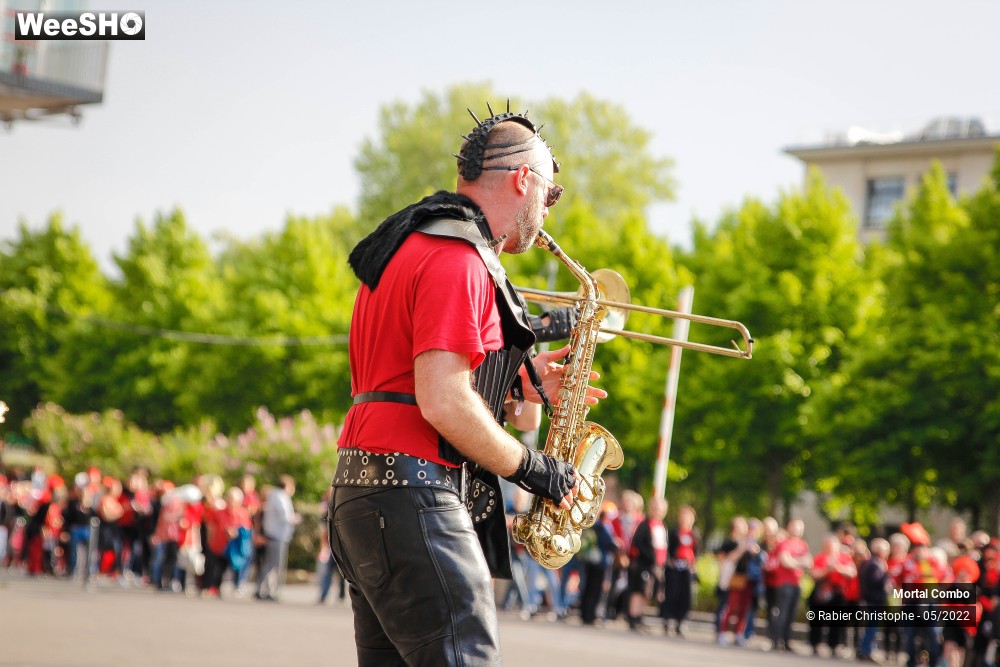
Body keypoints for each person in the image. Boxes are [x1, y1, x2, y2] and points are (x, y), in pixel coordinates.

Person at [329, 102, 607, 666]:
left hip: (362, 494)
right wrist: (537, 470)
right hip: (414, 494)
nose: (547, 211)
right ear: (523, 179)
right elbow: (443, 399)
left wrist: (513, 389)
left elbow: (406, 378)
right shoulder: (460, 259)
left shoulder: (408, 245)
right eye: (550, 194)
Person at [255, 475, 298, 602]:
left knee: (269, 563)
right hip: (278, 535)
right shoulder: (281, 497)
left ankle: (263, 589)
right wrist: (294, 519)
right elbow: (285, 517)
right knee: (274, 564)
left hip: (272, 534)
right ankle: (267, 590)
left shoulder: (273, 496)